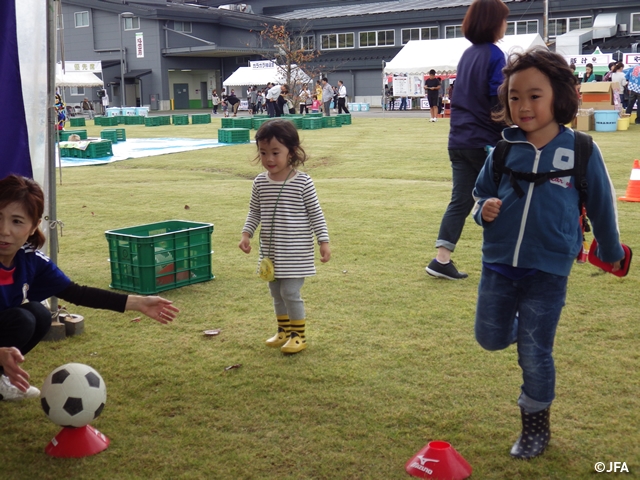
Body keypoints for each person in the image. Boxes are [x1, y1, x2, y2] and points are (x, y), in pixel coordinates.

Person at [472, 48, 624, 460]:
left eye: (534, 96)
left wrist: (610, 251)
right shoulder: (502, 150)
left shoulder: (581, 150)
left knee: (535, 352)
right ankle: (521, 326)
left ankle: (536, 426)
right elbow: (481, 194)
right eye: (514, 97)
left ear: (559, 95)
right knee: (488, 338)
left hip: (549, 269)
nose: (523, 106)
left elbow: (603, 205)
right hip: (498, 264)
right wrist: (482, 211)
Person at [0, 175, 179, 401]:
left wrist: (138, 302)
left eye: (17, 221)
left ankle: (2, 379)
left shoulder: (30, 260)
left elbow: (77, 293)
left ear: (34, 226)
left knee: (38, 314)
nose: (4, 230)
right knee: (23, 318)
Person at [426, 0, 509, 280]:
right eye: (503, 20)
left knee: (460, 201)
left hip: (459, 139)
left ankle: (441, 259)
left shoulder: (468, 55)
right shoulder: (495, 55)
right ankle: (504, 262)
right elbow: (496, 100)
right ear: (493, 22)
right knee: (505, 198)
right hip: (484, 140)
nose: (505, 25)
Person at [239, 120, 330, 354]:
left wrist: (323, 241)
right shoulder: (260, 182)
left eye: (276, 152)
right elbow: (255, 211)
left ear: (292, 151)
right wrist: (246, 233)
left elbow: (315, 213)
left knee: (290, 292)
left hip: (296, 252)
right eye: (263, 152)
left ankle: (298, 336)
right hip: (271, 253)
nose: (269, 159)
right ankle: (283, 330)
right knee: (275, 292)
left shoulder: (303, 182)